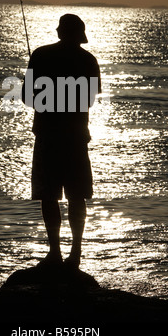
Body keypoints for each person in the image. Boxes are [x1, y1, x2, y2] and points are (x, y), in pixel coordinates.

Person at [22, 14, 101, 269]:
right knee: (77, 196)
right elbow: (88, 100)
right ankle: (75, 254)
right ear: (79, 35)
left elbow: (27, 98)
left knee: (49, 196)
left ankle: (54, 252)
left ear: (60, 32)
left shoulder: (41, 55)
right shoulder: (88, 60)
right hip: (76, 137)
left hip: (48, 135)